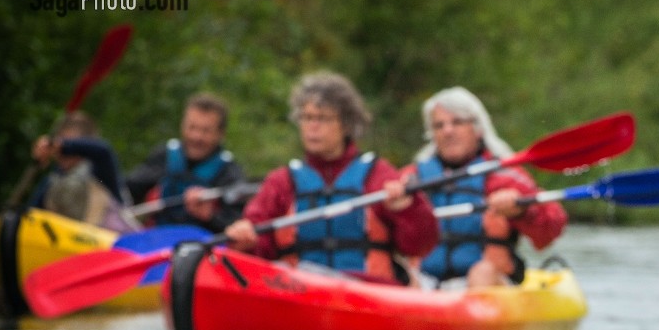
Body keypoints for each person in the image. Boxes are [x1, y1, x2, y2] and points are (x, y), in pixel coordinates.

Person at [225, 72, 436, 283]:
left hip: (366, 294)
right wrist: (246, 241)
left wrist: (407, 209)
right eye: (307, 118)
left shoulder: (378, 175)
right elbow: (260, 247)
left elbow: (420, 246)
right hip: (301, 294)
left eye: (323, 118)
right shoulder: (281, 182)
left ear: (346, 124)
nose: (312, 127)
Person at [413, 88, 566, 287]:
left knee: (482, 272)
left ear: (477, 129)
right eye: (439, 125)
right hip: (426, 284)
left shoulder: (504, 176)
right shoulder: (412, 179)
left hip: (492, 284)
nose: (447, 131)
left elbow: (551, 228)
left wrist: (522, 211)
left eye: (457, 122)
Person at [126, 92, 246, 232]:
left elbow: (235, 225)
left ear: (221, 134)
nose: (196, 137)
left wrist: (210, 216)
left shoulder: (230, 173)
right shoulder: (164, 156)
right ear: (182, 125)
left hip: (202, 246)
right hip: (156, 240)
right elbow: (128, 192)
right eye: (192, 127)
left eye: (206, 131)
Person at [29, 111, 137, 231]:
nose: (62, 151)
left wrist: (61, 145)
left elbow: (103, 150)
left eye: (70, 143)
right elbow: (33, 213)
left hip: (109, 244)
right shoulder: (54, 178)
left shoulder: (101, 168)